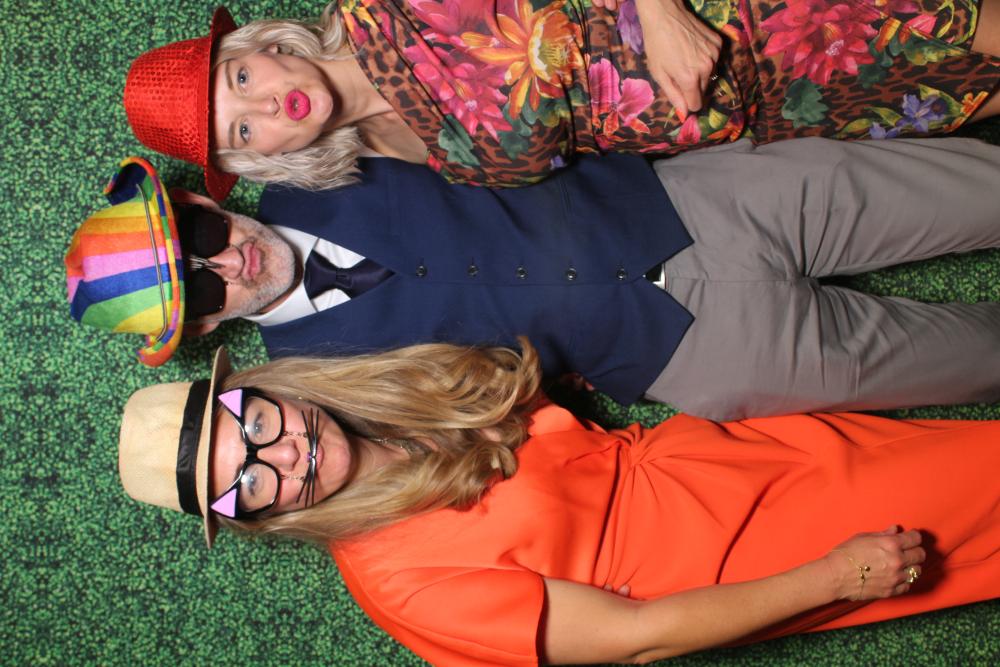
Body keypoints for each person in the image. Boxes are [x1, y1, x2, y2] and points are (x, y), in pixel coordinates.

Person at [118, 341, 1000, 666]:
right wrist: (831, 576)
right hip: (757, 554)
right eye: (252, 479)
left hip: (743, 456)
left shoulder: (391, 393)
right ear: (263, 518)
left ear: (268, 389)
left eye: (254, 424)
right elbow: (638, 635)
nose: (285, 453)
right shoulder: (400, 585)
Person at [71, 136, 1000, 419]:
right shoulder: (318, 386)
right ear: (204, 328)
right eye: (201, 287)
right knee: (978, 362)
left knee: (979, 188)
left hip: (703, 200)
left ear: (199, 197)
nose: (227, 257)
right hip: (701, 356)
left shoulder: (319, 148)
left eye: (198, 232)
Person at [122, 0, 1000, 197]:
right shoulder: (399, 155)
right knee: (976, 91)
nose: (266, 107)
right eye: (243, 132)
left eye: (241, 81)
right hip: (777, 114)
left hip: (760, 15)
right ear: (266, 159)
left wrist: (660, 10)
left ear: (260, 49)